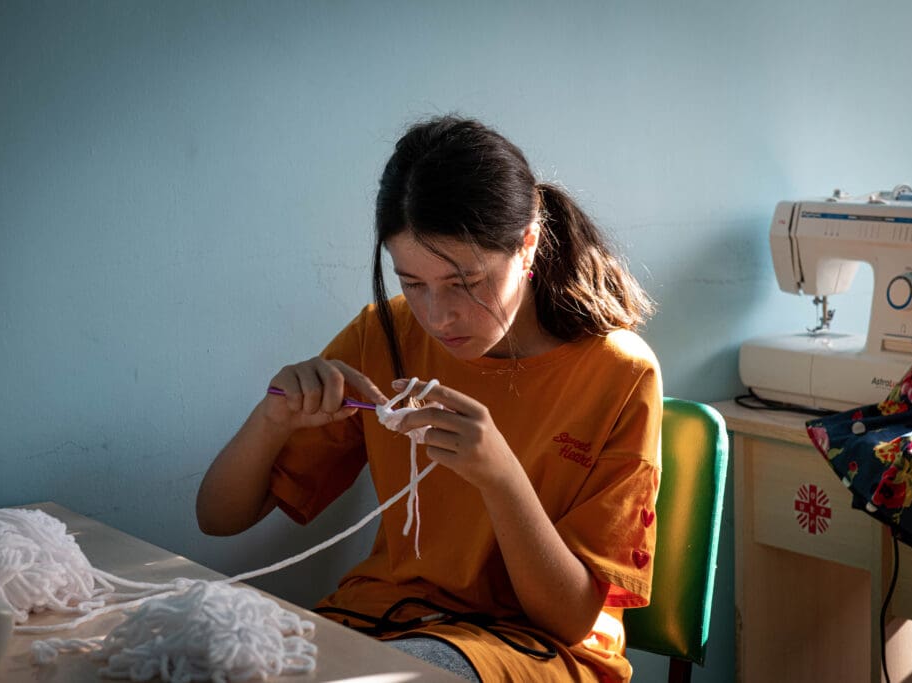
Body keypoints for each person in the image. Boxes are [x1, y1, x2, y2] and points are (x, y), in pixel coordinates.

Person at [196, 115, 663, 682]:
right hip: (381, 619)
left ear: (529, 243)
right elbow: (217, 518)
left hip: (535, 649)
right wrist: (271, 420)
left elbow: (567, 620)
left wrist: (499, 476)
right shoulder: (384, 334)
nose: (439, 317)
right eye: (413, 284)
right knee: (210, 659)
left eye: (466, 283)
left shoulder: (619, 373)